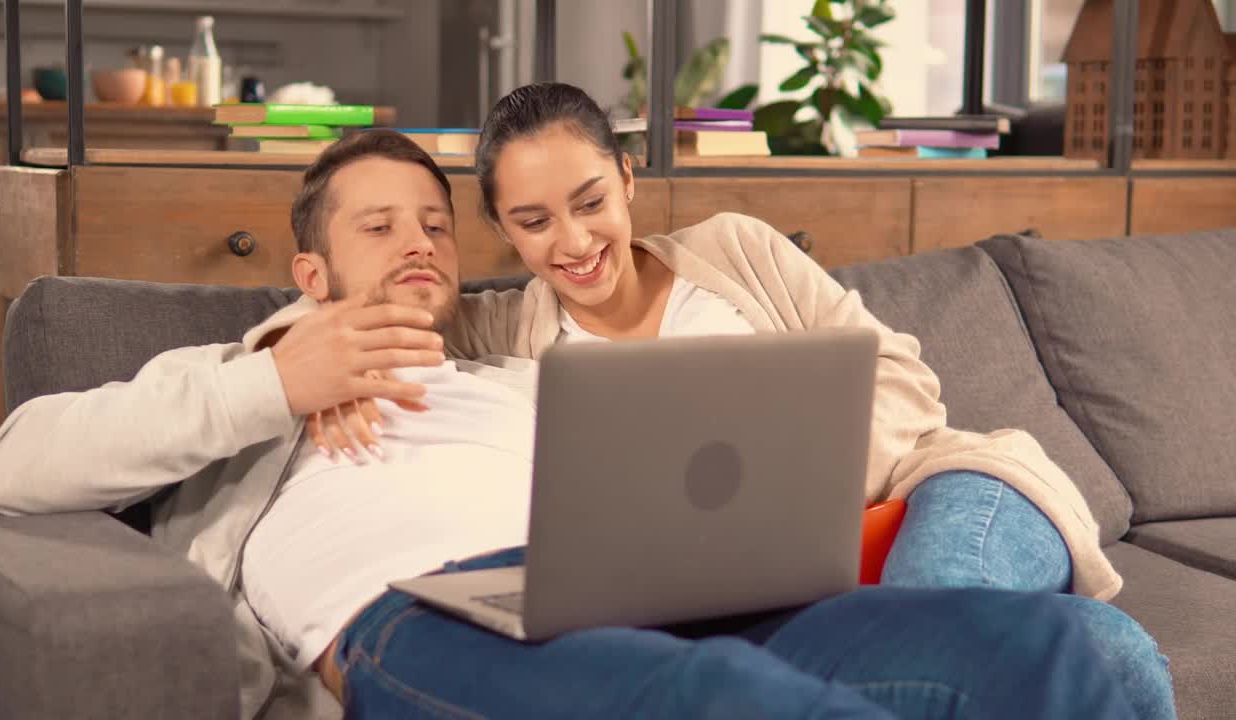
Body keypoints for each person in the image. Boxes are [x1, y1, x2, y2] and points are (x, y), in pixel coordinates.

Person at [0, 130, 1136, 720]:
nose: (420, 242)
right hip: (416, 610)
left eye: (434, 222)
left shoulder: (521, 364)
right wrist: (278, 381)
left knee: (1062, 648)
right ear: (310, 270)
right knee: (723, 708)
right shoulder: (231, 381)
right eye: (378, 227)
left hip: (657, 595)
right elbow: (13, 467)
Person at [310, 84, 1174, 720]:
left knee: (931, 620)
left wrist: (803, 488)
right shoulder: (500, 332)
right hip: (773, 583)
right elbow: (359, 312)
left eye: (590, 202)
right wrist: (294, 363)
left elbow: (905, 384)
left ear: (626, 179)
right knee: (1111, 655)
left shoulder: (735, 248)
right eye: (534, 222)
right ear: (503, 230)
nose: (573, 243)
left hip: (940, 492)